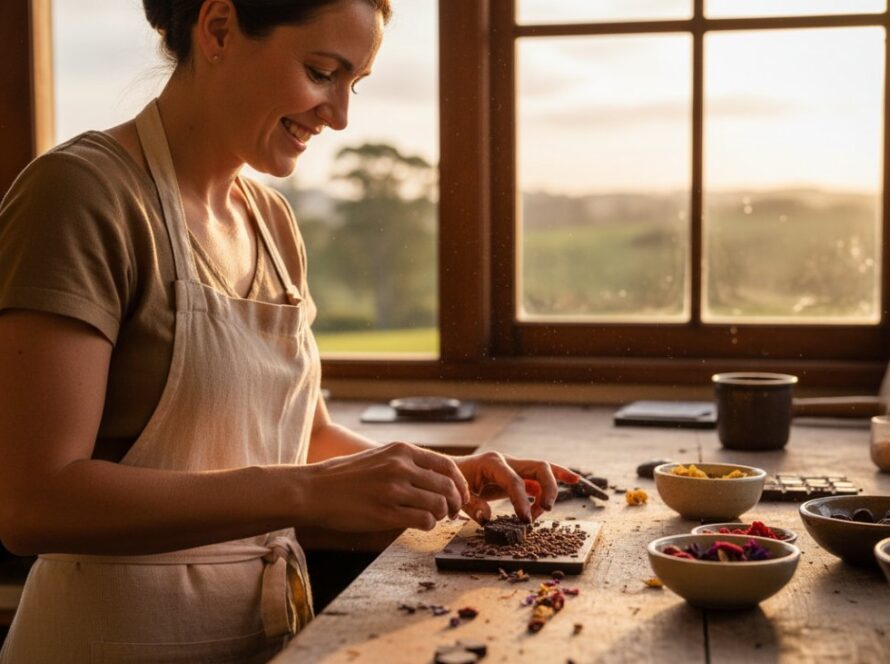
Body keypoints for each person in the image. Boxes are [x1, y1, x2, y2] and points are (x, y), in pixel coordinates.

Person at [0, 1, 579, 661]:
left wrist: (441, 474)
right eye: (321, 72)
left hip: (266, 640)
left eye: (353, 84)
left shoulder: (271, 225)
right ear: (218, 29)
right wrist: (313, 493)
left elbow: (306, 437)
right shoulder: (81, 195)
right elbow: (34, 502)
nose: (339, 115)